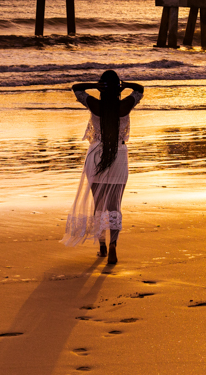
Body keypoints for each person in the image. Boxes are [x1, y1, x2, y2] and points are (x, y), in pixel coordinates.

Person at [62, 70, 144, 265]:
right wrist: (124, 86)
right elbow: (140, 89)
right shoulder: (125, 105)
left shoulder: (95, 105)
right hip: (119, 156)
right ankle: (114, 244)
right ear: (118, 88)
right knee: (115, 204)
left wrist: (95, 86)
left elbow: (76, 88)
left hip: (96, 155)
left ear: (101, 87)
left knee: (98, 205)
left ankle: (102, 247)